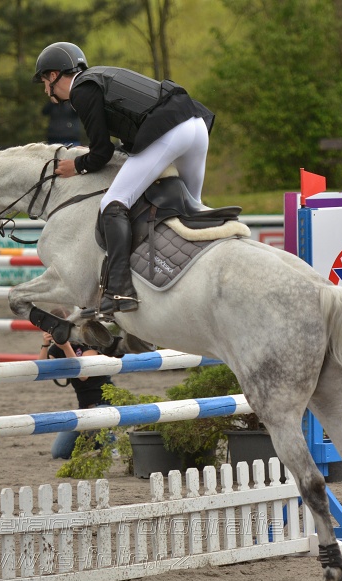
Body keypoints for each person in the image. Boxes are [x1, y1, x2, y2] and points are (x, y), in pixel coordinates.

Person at [32, 42, 215, 316]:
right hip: (195, 126)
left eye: (45, 82)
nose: (47, 90)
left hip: (171, 131)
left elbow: (101, 153)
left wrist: (77, 166)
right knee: (191, 208)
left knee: (114, 202)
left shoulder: (81, 90)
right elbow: (127, 132)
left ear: (55, 75)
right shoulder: (101, 77)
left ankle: (120, 289)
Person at [38, 309, 113, 459]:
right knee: (60, 452)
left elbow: (83, 375)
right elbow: (42, 370)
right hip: (84, 407)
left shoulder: (88, 341)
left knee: (96, 422)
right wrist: (45, 345)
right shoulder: (58, 347)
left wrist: (66, 347)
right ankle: (95, 441)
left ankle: (111, 443)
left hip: (104, 403)